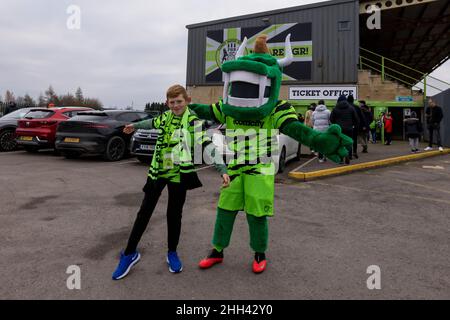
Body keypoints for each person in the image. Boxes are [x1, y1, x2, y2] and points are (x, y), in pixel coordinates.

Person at [189, 35, 352, 274]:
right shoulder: (230, 106)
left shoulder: (275, 107)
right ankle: (217, 250)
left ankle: (259, 252)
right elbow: (204, 110)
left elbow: (296, 130)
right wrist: (184, 108)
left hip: (261, 167)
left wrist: (320, 140)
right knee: (225, 208)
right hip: (234, 167)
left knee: (257, 213)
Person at [112, 85, 229, 280]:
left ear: (187, 101)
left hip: (179, 174)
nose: (175, 106)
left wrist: (222, 169)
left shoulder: (193, 121)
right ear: (167, 103)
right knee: (144, 212)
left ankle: (172, 252)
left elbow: (208, 145)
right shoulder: (165, 117)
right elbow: (151, 122)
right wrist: (135, 126)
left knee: (174, 215)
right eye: (172, 102)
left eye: (179, 102)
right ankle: (129, 253)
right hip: (158, 171)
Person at [330, 95, 359, 163]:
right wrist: (353, 125)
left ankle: (340, 158)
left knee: (339, 143)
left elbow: (331, 119)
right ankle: (349, 155)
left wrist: (336, 124)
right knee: (348, 142)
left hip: (339, 130)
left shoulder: (335, 108)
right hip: (349, 128)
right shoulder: (351, 108)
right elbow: (356, 118)